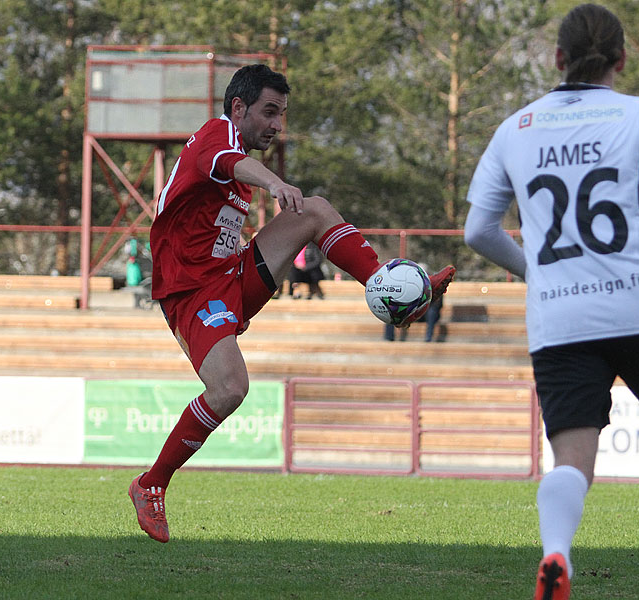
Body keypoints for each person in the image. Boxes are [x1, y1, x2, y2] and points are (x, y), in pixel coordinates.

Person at [128, 63, 456, 543]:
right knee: (230, 390)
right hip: (190, 291)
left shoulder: (237, 152)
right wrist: (273, 184)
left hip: (231, 275)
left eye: (282, 114)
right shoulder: (215, 135)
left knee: (316, 210)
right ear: (238, 108)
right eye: (269, 112)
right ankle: (151, 483)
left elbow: (237, 180)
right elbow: (230, 163)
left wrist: (271, 187)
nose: (278, 125)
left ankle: (390, 286)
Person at [463, 5, 639, 598]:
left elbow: (478, 231)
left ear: (557, 59)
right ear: (622, 60)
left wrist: (536, 272)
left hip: (561, 315)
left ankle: (556, 554)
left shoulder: (515, 128)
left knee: (572, 458)